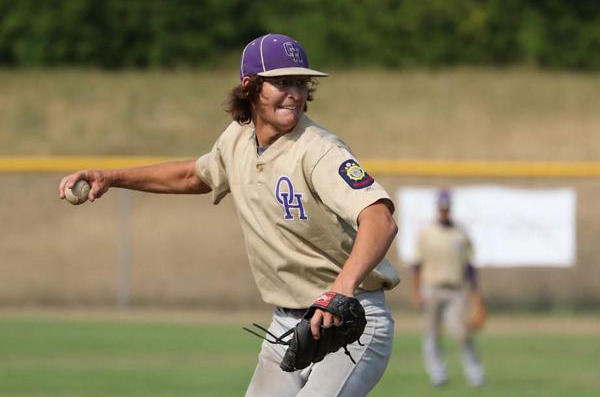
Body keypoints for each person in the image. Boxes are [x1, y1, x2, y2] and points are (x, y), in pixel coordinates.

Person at [59, 33, 400, 397]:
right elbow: (195, 176)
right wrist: (112, 177)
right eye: (282, 82)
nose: (296, 93)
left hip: (351, 318)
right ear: (249, 86)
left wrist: (340, 290)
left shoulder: (318, 150)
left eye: (301, 83)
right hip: (288, 323)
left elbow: (380, 218)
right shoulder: (236, 138)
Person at [410, 190, 485, 387]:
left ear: (450, 208)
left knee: (463, 334)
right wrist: (416, 291)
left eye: (447, 208)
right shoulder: (426, 233)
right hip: (432, 287)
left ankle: (475, 375)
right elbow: (416, 266)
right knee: (432, 334)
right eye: (441, 208)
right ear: (437, 209)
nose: (444, 212)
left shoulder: (460, 233)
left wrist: (476, 293)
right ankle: (438, 375)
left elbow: (470, 266)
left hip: (456, 289)